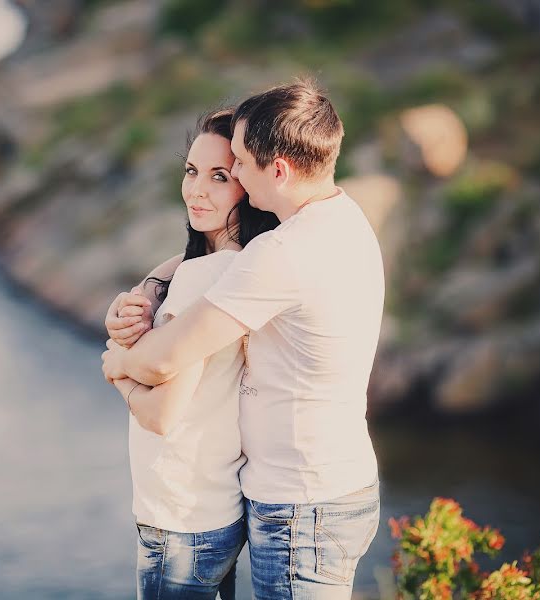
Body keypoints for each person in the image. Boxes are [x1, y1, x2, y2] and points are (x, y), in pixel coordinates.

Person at [103, 78, 385, 599]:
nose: (232, 173)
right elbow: (213, 266)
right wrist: (146, 289)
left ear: (276, 170)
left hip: (302, 506)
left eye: (236, 163)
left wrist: (112, 357)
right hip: (331, 486)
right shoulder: (341, 216)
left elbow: (163, 361)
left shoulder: (284, 253)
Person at [108, 108, 279, 600]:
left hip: (180, 519)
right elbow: (174, 273)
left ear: (249, 186)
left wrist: (117, 370)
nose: (196, 190)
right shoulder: (239, 266)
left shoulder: (201, 280)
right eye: (191, 171)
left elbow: (162, 414)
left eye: (219, 177)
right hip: (216, 506)